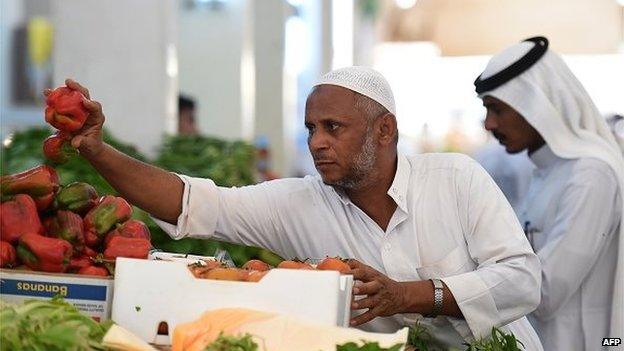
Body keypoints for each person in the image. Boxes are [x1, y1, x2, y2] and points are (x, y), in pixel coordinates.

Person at [51, 67, 542, 349]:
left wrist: (409, 295)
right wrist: (96, 148)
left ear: (385, 131)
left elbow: (523, 278)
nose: (318, 143)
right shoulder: (301, 201)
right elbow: (193, 203)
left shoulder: (456, 179)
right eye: (311, 129)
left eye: (334, 127)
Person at [475, 36, 624, 350]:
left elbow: (544, 290)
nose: (489, 124)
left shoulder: (590, 174)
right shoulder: (549, 168)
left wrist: (443, 292)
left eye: (497, 109)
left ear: (536, 104)